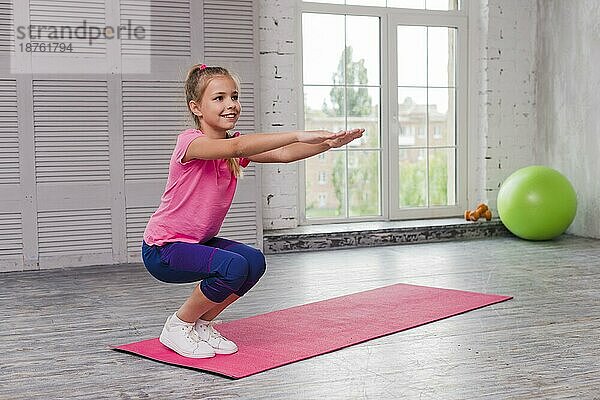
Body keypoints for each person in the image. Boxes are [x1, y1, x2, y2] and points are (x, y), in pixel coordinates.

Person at [141, 64, 364, 359]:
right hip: (163, 249)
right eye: (219, 98)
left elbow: (283, 155)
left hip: (194, 243)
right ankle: (179, 325)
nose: (230, 104)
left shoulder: (234, 146)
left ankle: (203, 324)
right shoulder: (190, 143)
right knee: (232, 268)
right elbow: (237, 147)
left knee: (253, 261)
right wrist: (298, 133)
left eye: (233, 96)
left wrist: (327, 144)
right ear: (196, 108)